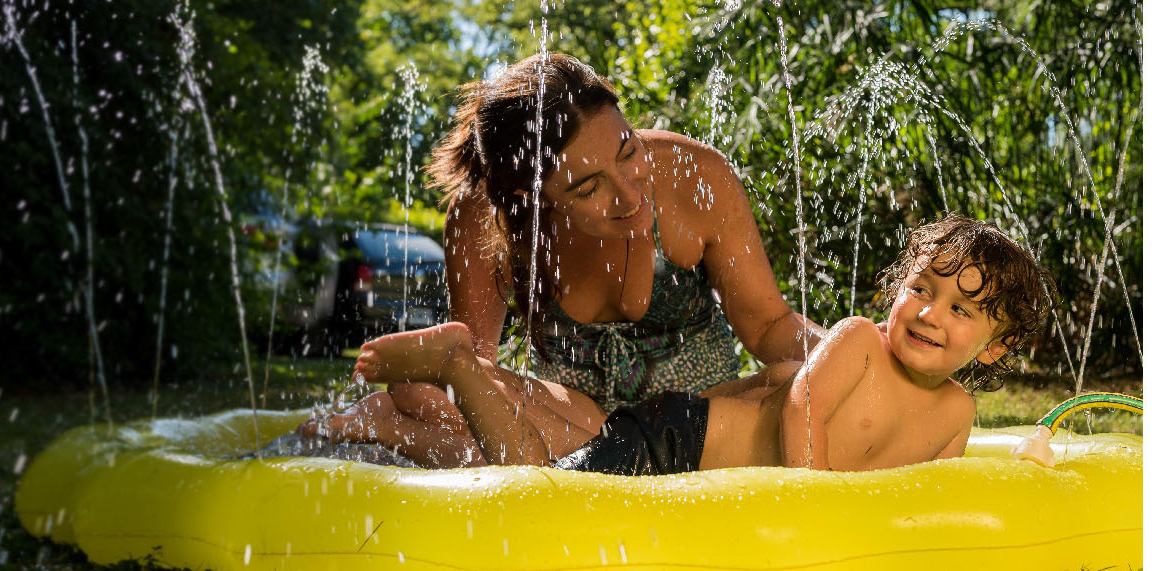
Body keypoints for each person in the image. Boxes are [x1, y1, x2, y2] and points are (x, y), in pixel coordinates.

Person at [307, 52, 827, 467]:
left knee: (790, 376)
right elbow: (481, 378)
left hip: (700, 415)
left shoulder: (694, 177)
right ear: (532, 197)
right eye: (587, 188)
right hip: (566, 416)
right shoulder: (483, 216)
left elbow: (769, 326)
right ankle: (398, 419)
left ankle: (383, 425)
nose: (628, 195)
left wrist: (847, 348)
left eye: (627, 151)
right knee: (426, 395)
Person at [310, 216, 1054, 473]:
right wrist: (813, 507)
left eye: (962, 309)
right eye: (922, 288)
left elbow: (928, 491)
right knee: (532, 481)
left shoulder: (957, 413)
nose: (930, 311)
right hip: (674, 441)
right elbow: (801, 403)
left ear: (993, 348)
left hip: (693, 439)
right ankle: (456, 365)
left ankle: (399, 422)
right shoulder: (858, 340)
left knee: (530, 464)